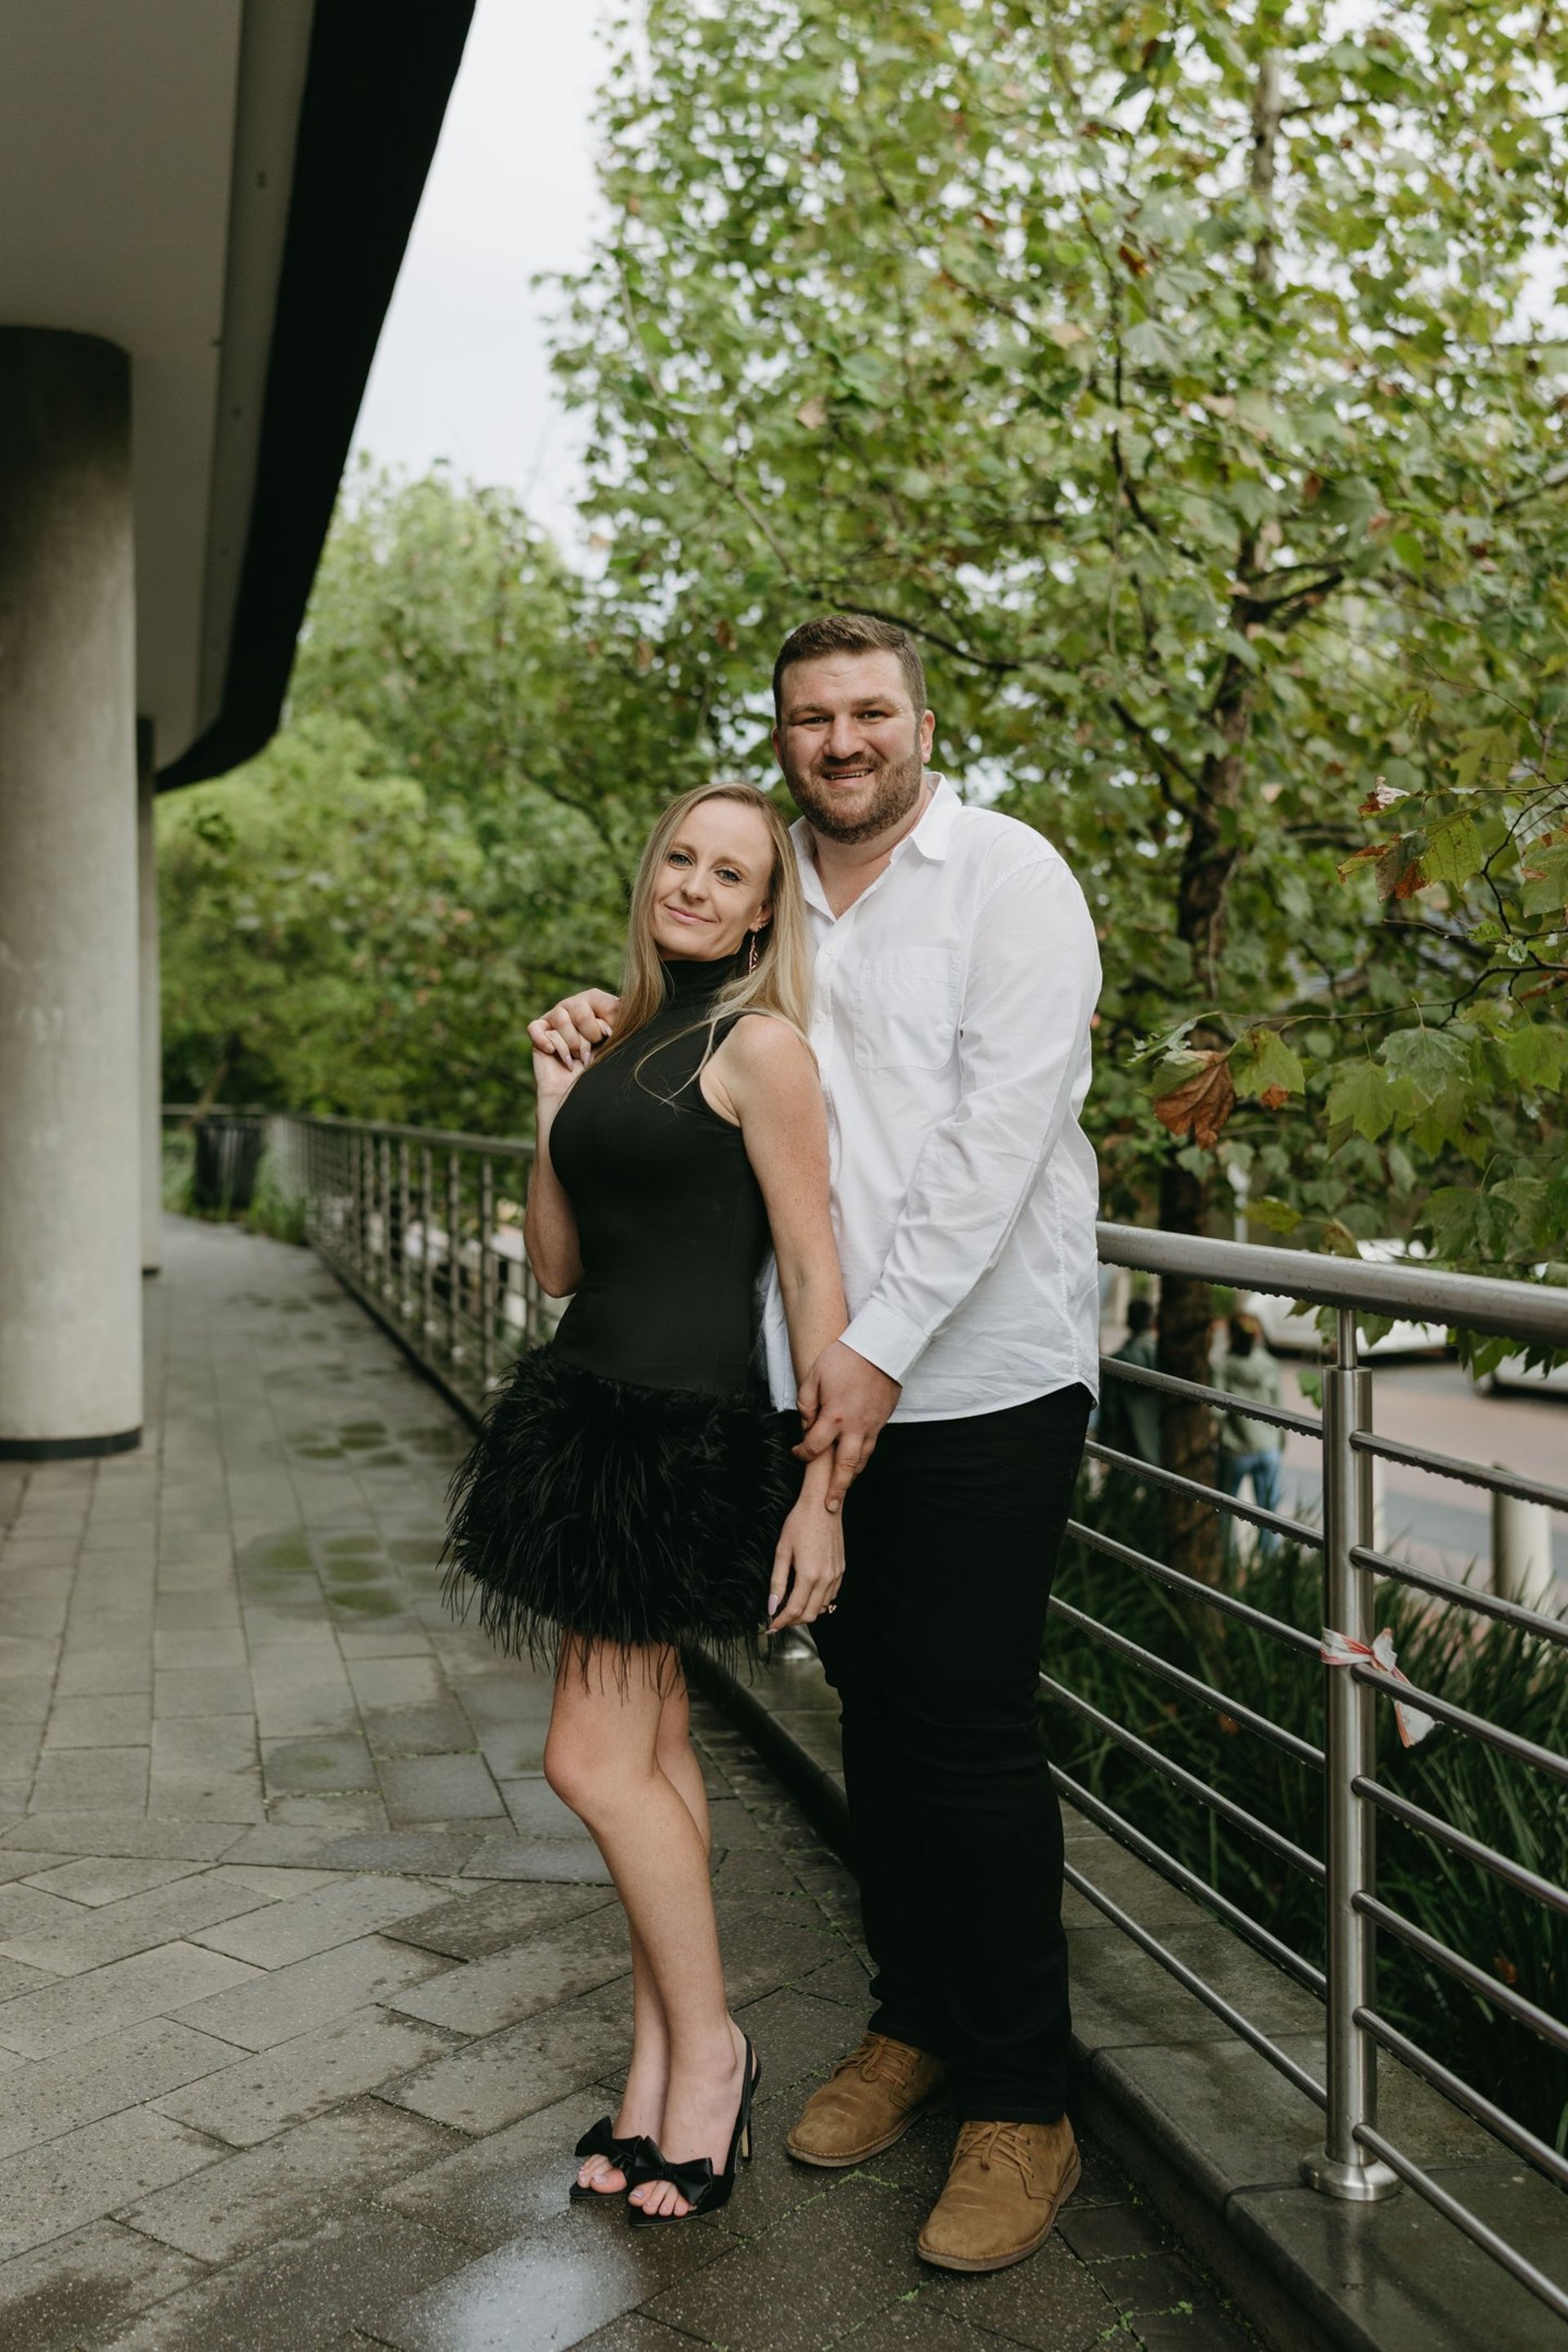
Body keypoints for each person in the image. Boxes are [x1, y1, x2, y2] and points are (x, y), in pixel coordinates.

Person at [535, 612, 1102, 2275]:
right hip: (807, 1391)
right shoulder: (774, 887)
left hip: (980, 1376)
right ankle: (913, 2021)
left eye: (869, 711)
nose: (841, 740)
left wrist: (878, 1348)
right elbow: (705, 1073)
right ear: (782, 734)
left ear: (923, 721)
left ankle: (1024, 2100)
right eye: (809, 717)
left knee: (967, 1721)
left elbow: (997, 1142)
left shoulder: (1008, 879)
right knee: (875, 1715)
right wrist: (596, 1038)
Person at [444, 782, 849, 2225]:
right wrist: (553, 1099)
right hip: (584, 1422)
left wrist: (824, 1490)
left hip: (676, 1446)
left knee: (590, 1763)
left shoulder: (762, 1048)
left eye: (730, 873)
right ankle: (657, 2069)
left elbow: (812, 1271)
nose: (694, 884)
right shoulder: (620, 1039)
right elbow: (561, 1265)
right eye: (680, 856)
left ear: (762, 912)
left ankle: (717, 2052)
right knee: (653, 1757)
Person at [1215, 1312, 1286, 1562]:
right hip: (1269, 1448)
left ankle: (1228, 1564)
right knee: (1268, 1512)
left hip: (1235, 1449)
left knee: (1224, 1509)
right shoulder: (1269, 1364)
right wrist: (1280, 1443)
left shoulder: (1224, 1365)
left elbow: (1216, 1411)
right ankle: (1268, 1567)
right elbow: (1279, 1408)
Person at [1096, 1297, 1160, 1467]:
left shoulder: (1119, 1361)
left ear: (1128, 1321)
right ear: (1151, 1321)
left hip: (1126, 1446)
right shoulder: (1164, 1356)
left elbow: (1110, 1410)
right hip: (1159, 1444)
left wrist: (1104, 1446)